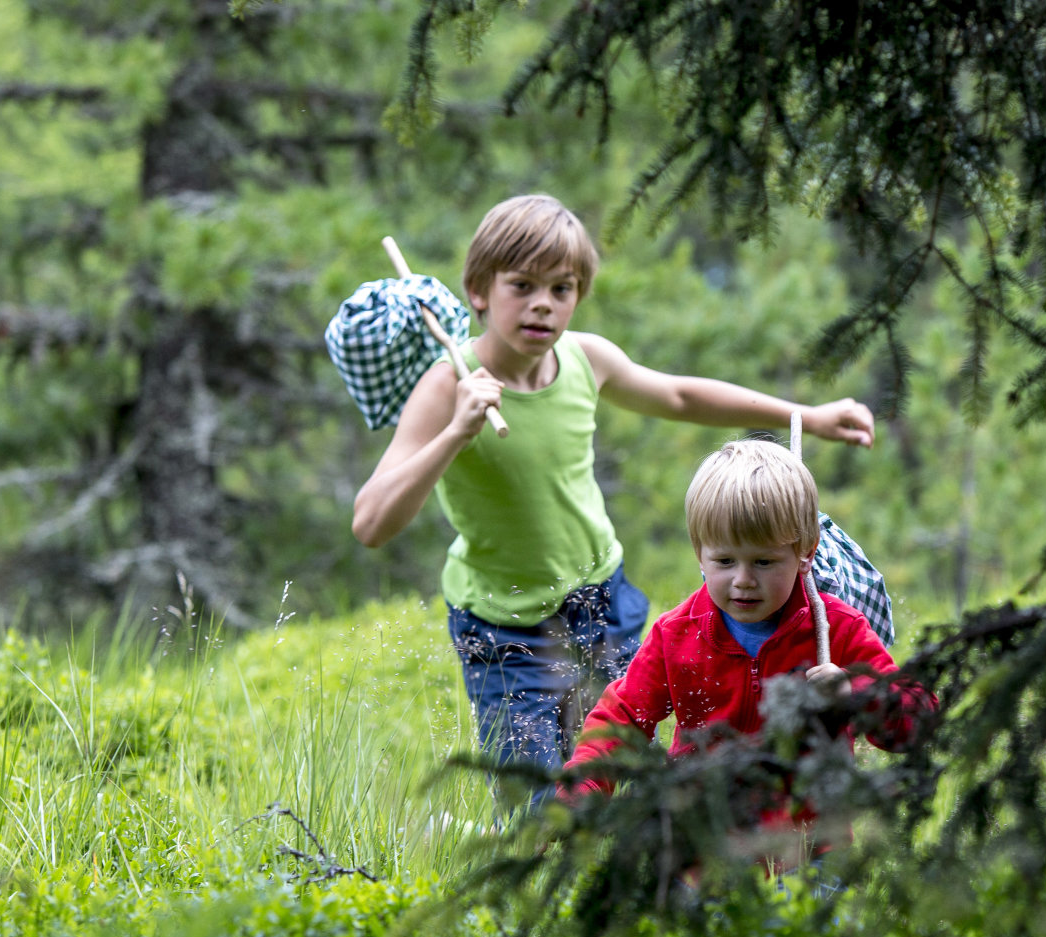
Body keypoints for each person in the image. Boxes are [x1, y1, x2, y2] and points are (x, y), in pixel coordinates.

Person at [351, 194, 875, 793]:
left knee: (614, 772)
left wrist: (807, 416)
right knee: (535, 802)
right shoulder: (449, 386)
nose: (543, 304)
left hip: (600, 602)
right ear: (478, 291)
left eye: (562, 288)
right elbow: (371, 523)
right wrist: (454, 432)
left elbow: (679, 396)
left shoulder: (584, 358)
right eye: (522, 286)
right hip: (502, 626)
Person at [562, 439, 936, 864]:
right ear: (699, 553)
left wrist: (856, 694)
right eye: (725, 561)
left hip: (813, 850)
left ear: (805, 553)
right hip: (702, 849)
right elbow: (624, 716)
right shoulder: (677, 634)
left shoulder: (835, 629)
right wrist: (580, 794)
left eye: (763, 562)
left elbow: (916, 720)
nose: (743, 579)